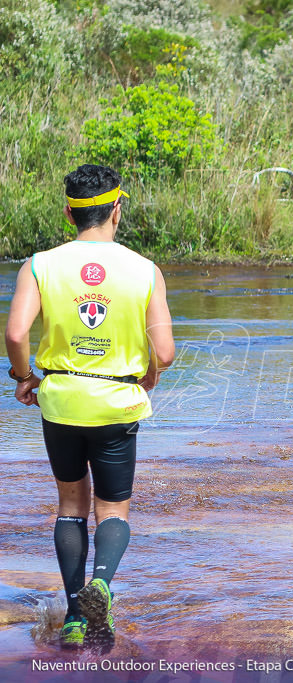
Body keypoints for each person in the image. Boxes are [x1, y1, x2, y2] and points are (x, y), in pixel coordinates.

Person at [4, 164, 175, 648]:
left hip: (59, 401)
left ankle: (76, 617)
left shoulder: (39, 264)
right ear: (117, 210)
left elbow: (16, 334)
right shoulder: (145, 270)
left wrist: (23, 378)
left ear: (68, 214)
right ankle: (102, 583)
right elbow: (163, 353)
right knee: (113, 509)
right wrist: (150, 375)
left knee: (71, 506)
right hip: (117, 404)